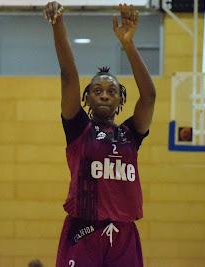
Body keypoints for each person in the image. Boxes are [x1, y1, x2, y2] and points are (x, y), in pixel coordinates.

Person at [44, 2, 156, 266]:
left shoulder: (131, 133)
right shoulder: (78, 129)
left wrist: (128, 44)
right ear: (87, 99)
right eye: (97, 91)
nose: (104, 94)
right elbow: (69, 76)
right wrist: (58, 24)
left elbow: (149, 97)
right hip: (84, 229)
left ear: (120, 101)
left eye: (111, 91)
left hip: (123, 232)